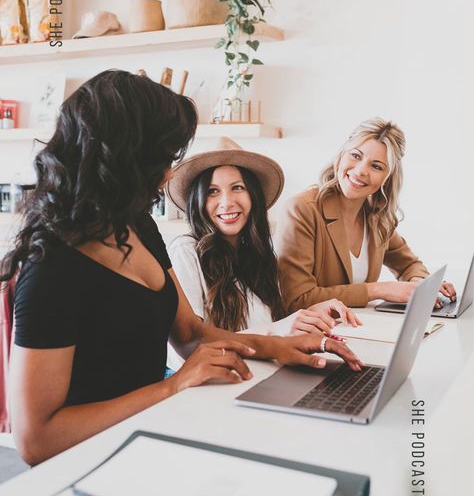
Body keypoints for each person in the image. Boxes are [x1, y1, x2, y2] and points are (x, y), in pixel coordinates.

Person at [1, 71, 362, 466]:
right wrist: (172, 387)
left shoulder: (138, 224)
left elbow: (189, 332)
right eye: (163, 158)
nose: (170, 173)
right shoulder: (54, 268)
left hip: (151, 436)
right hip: (91, 467)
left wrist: (277, 347)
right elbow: (37, 440)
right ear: (123, 157)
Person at [164, 138, 361, 370]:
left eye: (237, 188)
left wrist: (305, 315)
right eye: (212, 191)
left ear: (253, 195)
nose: (226, 202)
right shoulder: (185, 252)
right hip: (205, 390)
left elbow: (264, 325)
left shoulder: (258, 251)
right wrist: (276, 330)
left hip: (255, 373)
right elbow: (184, 353)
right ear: (197, 200)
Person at [275, 118, 457, 310]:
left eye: (376, 166)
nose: (361, 171)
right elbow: (297, 298)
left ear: (387, 178)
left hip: (358, 329)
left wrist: (420, 284)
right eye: (356, 155)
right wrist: (378, 290)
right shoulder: (301, 209)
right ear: (341, 154)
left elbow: (409, 264)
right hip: (310, 336)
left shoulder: (377, 218)